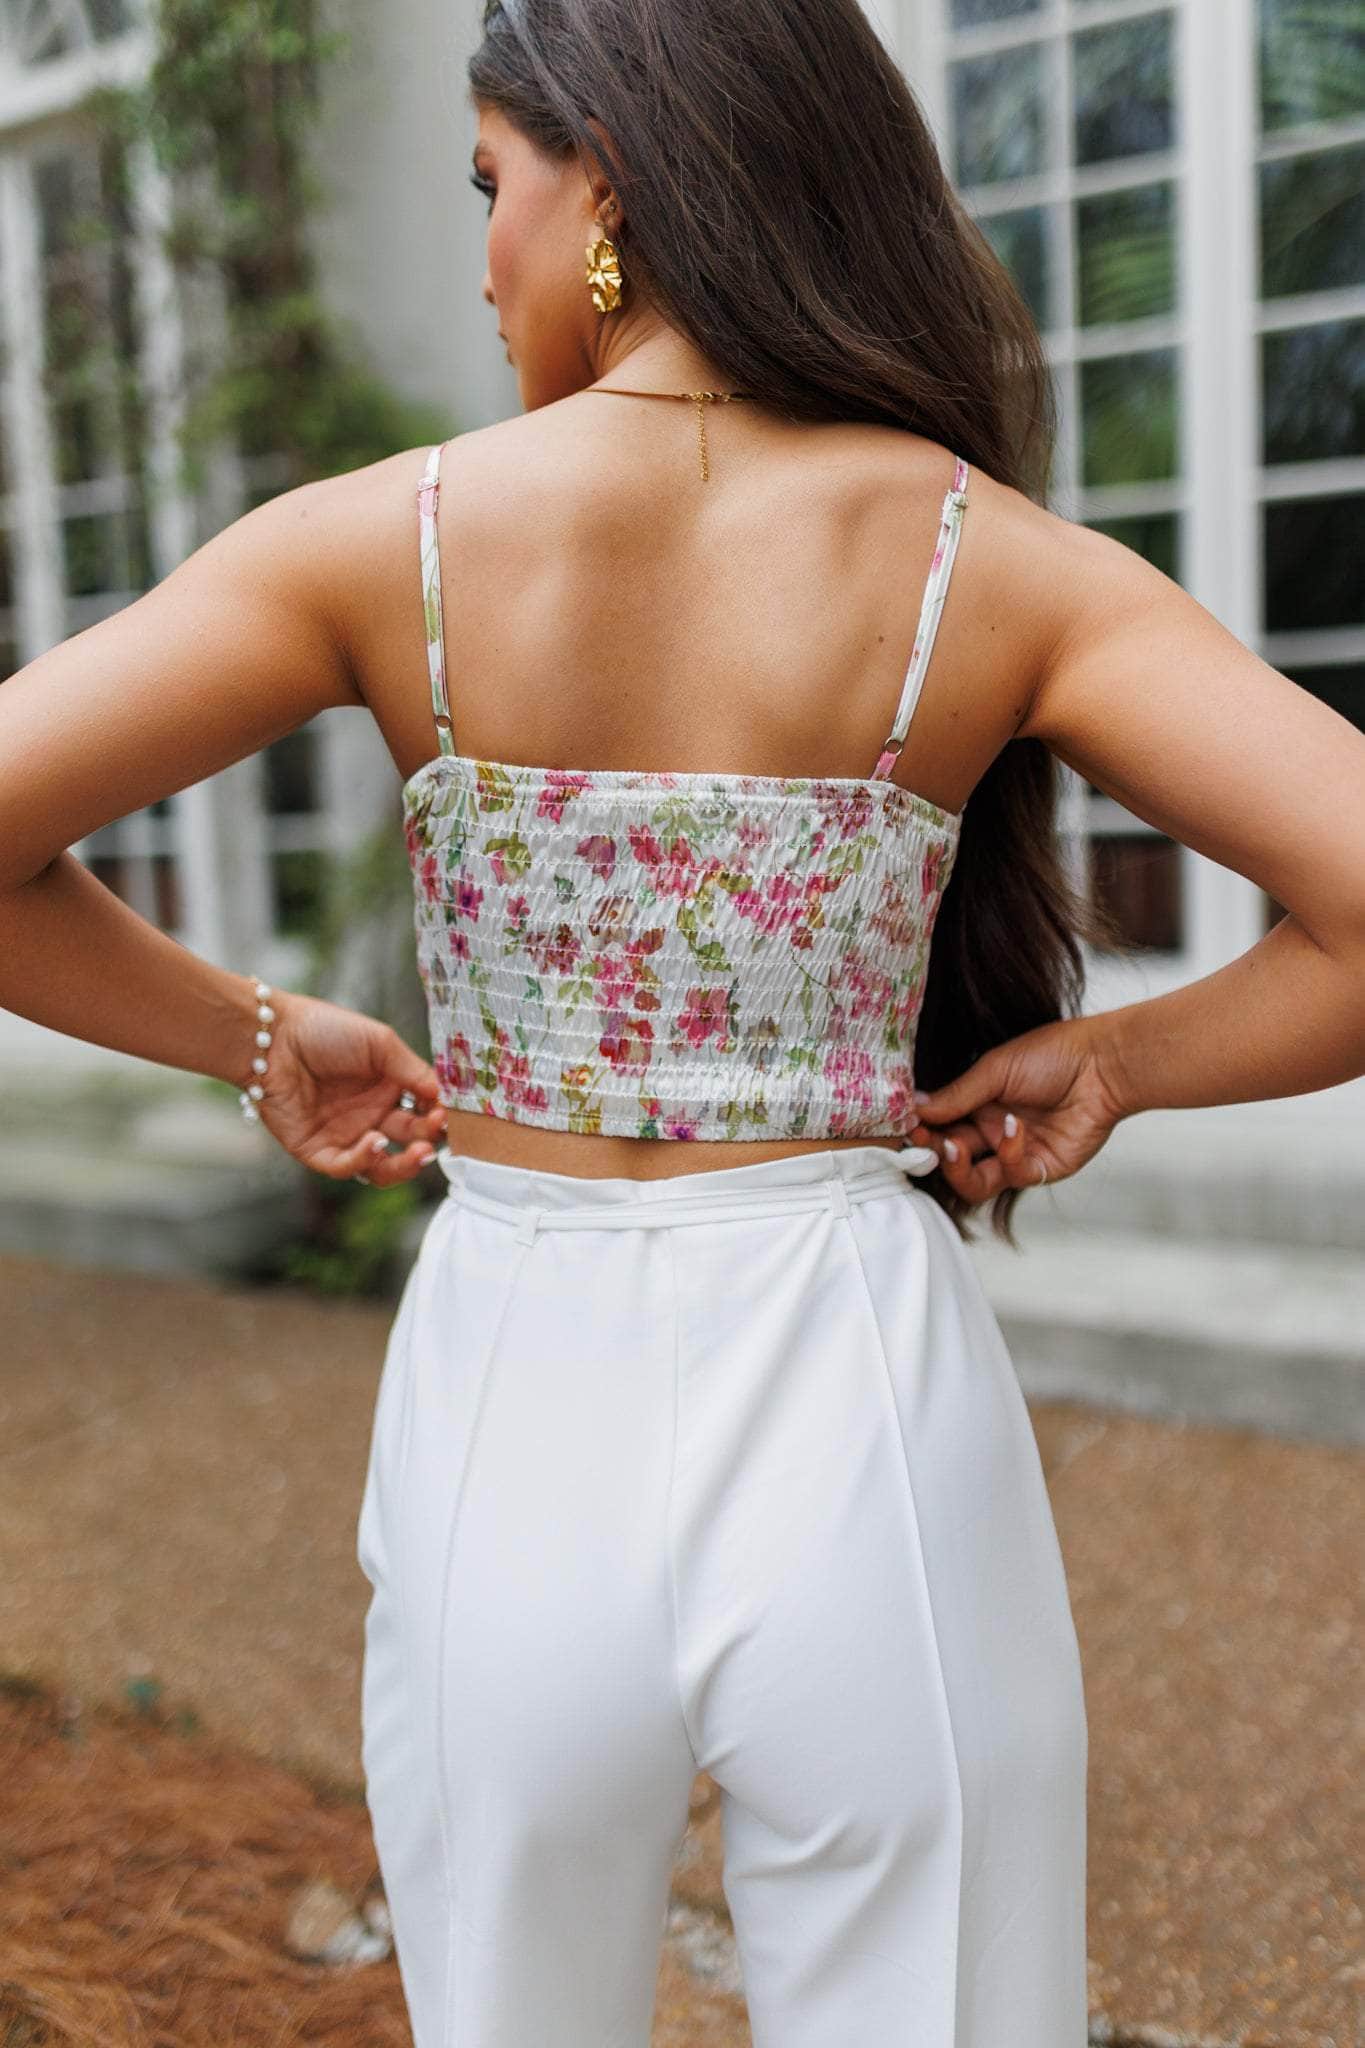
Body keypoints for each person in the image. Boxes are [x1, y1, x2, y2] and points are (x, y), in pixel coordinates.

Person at [2, 0, 1363, 2041]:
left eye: (491, 185)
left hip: (509, 1390)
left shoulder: (391, 542)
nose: (485, 258)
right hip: (855, 1386)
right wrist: (1117, 1060)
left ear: (609, 183)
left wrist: (254, 1033)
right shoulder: (987, 565)